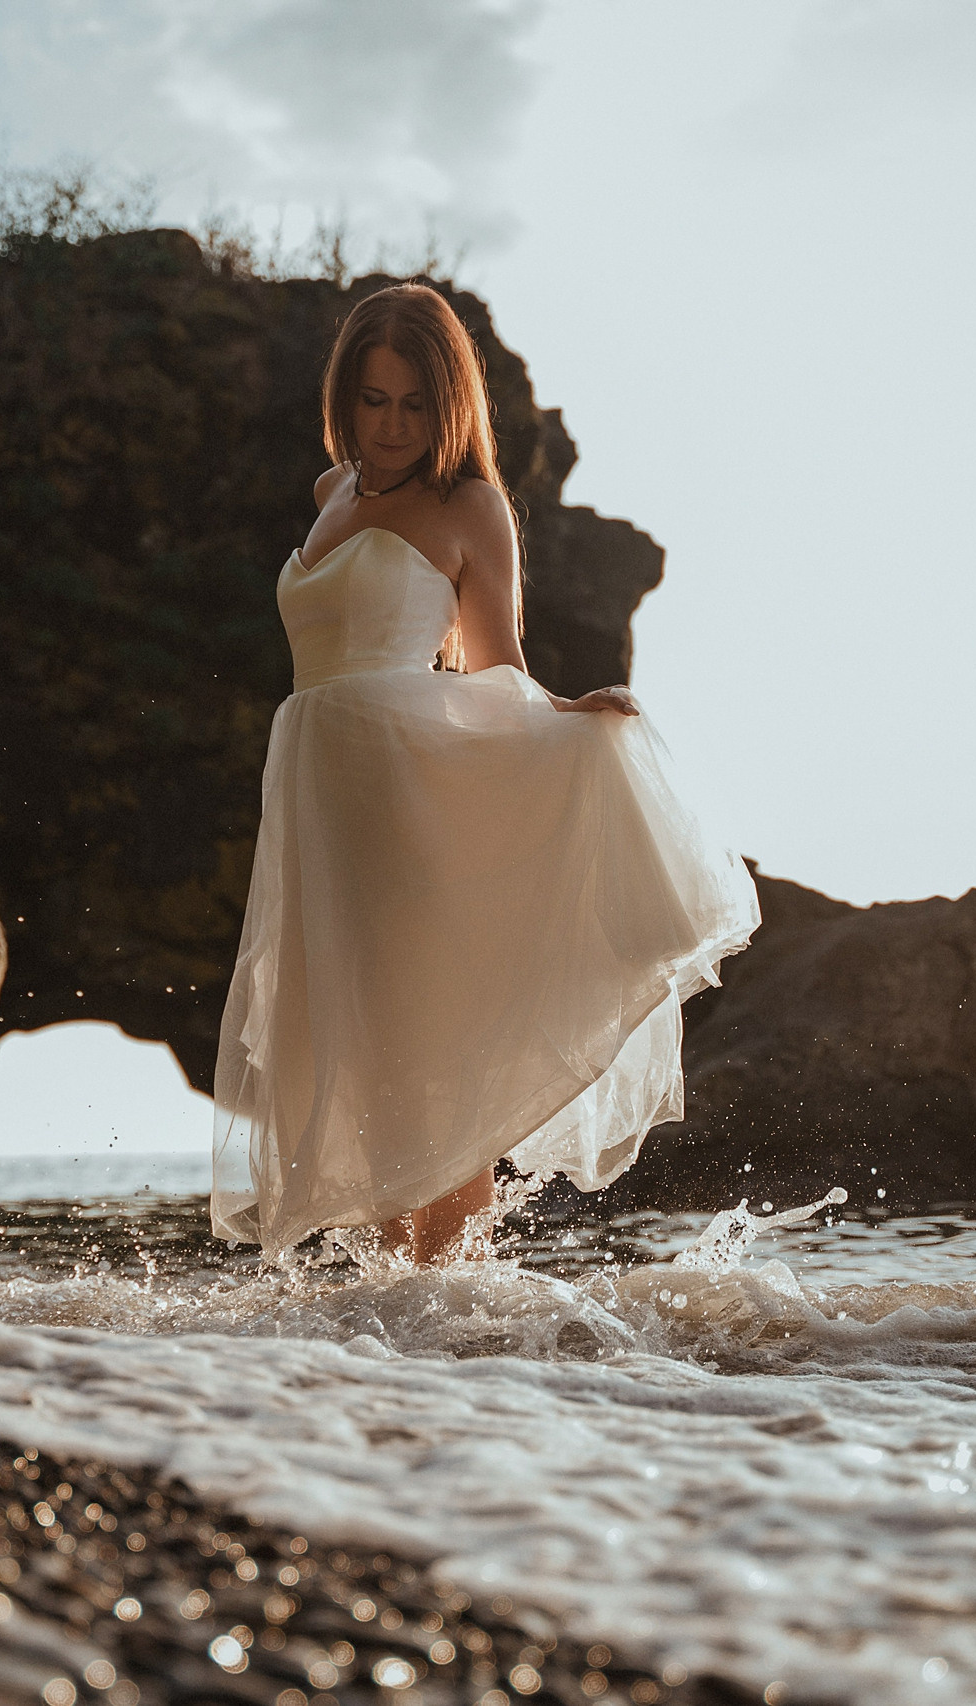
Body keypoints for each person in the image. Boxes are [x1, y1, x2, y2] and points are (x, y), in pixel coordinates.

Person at [210, 283, 759, 1262]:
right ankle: (402, 1303)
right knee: (369, 1057)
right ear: (345, 396)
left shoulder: (469, 504)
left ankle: (448, 1294)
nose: (390, 427)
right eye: (373, 401)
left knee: (431, 1052)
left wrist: (573, 716)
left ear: (448, 403)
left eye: (414, 405)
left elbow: (498, 659)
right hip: (321, 805)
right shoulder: (332, 491)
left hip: (412, 798)